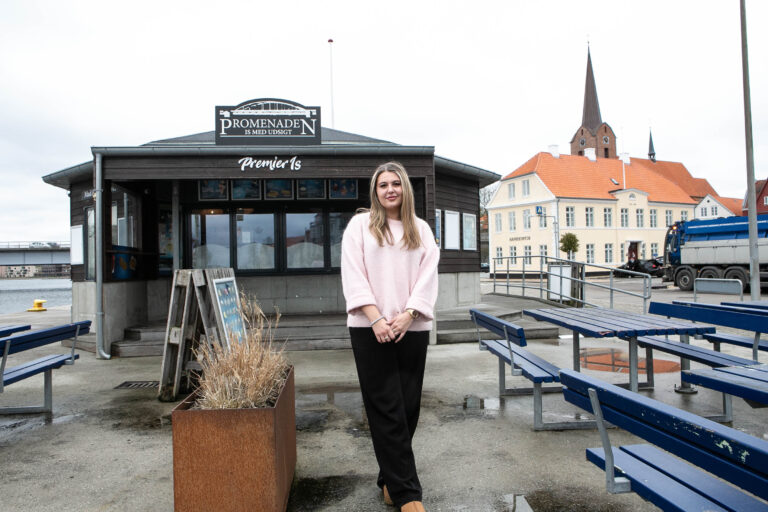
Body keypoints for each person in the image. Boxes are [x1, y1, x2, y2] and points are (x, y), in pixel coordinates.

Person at [341, 161, 439, 512]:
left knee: (408, 407)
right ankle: (408, 494)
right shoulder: (359, 226)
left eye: (395, 184)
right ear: (375, 191)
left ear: (405, 189)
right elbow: (354, 275)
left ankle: (389, 478)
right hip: (371, 330)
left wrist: (409, 315)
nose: (389, 190)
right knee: (386, 408)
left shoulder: (421, 229)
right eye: (382, 185)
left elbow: (428, 276)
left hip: (411, 328)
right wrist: (377, 319)